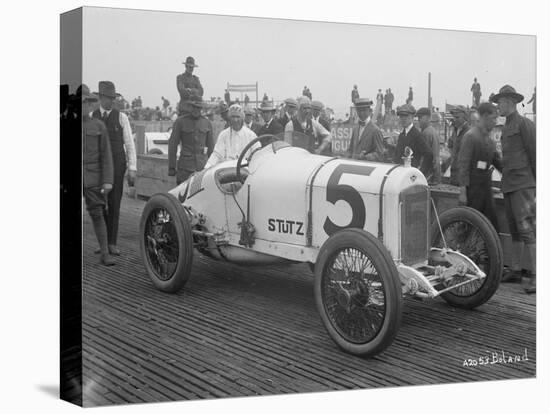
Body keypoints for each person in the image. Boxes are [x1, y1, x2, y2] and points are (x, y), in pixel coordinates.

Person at [490, 85, 536, 293]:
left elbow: (535, 154)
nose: (497, 106)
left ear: (509, 102)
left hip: (523, 185)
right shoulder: (506, 126)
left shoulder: (524, 124)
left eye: (499, 102)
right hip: (509, 185)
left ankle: (536, 275)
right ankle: (516, 270)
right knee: (515, 229)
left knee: (528, 230)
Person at [92, 81, 137, 257]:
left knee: (114, 204)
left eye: (113, 98)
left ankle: (112, 242)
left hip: (117, 165)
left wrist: (132, 168)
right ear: (101, 98)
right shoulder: (92, 116)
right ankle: (102, 242)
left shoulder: (121, 117)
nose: (111, 101)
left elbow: (130, 145)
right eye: (108, 98)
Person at [81, 85, 115, 266]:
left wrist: (108, 181)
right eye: (80, 102)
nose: (83, 106)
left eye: (86, 102)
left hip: (93, 178)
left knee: (97, 214)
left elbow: (106, 156)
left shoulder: (98, 126)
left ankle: (104, 253)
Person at [457, 103, 502, 231]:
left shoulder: (489, 140)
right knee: (469, 227)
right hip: (472, 191)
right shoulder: (470, 137)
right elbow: (463, 165)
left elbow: (498, 163)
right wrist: (463, 193)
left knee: (491, 227)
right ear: (484, 117)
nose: (495, 122)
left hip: (486, 190)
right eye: (493, 118)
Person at [168, 95, 214, 184]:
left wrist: (212, 167)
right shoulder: (180, 122)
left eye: (198, 108)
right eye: (194, 107)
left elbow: (211, 148)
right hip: (185, 168)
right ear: (190, 107)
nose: (196, 110)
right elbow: (173, 145)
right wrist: (172, 167)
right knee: (182, 195)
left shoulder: (207, 123)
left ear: (201, 109)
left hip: (201, 168)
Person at [393, 104, 433, 175]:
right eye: (401, 116)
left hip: (411, 176)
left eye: (406, 116)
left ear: (412, 117)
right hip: (400, 174)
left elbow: (429, 154)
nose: (403, 119)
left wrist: (421, 173)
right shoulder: (402, 135)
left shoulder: (417, 135)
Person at [416, 107, 441, 184]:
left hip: (429, 174)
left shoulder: (426, 133)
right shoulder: (432, 130)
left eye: (420, 117)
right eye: (418, 118)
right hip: (434, 171)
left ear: (427, 118)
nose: (418, 120)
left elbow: (426, 157)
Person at [447, 105, 470, 186]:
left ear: (465, 118)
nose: (454, 119)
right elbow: (450, 145)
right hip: (454, 173)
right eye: (454, 117)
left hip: (464, 177)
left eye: (457, 117)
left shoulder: (469, 133)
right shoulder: (455, 131)